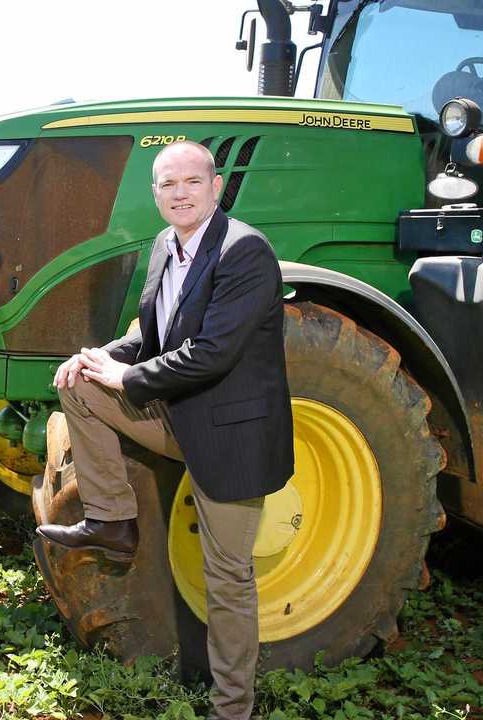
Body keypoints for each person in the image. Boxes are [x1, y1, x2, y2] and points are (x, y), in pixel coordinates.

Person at [36, 141, 294, 720]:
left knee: (227, 577)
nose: (179, 194)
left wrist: (126, 375)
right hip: (175, 415)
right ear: (155, 194)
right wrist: (96, 356)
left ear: (216, 187)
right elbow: (151, 338)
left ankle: (234, 707)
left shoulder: (244, 251)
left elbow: (212, 353)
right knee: (77, 384)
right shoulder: (163, 246)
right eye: (167, 185)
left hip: (229, 433)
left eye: (191, 183)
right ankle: (112, 522)